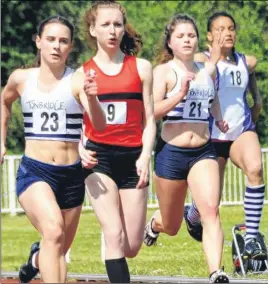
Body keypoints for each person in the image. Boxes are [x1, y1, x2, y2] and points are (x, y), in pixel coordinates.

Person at [1, 15, 106, 283]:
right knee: (54, 231)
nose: (56, 46)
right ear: (38, 42)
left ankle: (36, 259)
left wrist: (92, 99)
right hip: (35, 172)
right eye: (50, 40)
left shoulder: (78, 80)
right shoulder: (22, 79)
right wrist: (1, 142)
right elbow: (4, 102)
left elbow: (100, 124)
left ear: (70, 46)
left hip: (71, 176)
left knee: (57, 246)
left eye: (63, 41)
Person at [142, 14, 230, 283]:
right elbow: (153, 112)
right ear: (170, 42)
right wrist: (179, 95)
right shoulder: (164, 72)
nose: (187, 40)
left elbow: (212, 98)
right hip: (171, 152)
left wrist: (218, 117)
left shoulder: (207, 70)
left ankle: (216, 272)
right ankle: (155, 223)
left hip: (203, 150)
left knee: (211, 211)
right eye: (180, 36)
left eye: (191, 35)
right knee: (171, 226)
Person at [79, 1, 156, 283]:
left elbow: (149, 120)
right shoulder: (83, 73)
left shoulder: (142, 68)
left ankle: (114, 241)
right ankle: (110, 235)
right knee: (114, 233)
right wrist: (79, 149)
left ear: (124, 29)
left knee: (131, 246)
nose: (112, 30)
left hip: (133, 157)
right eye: (105, 24)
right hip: (99, 158)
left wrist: (146, 156)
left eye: (117, 24)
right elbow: (76, 124)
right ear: (93, 29)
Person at [185, 11, 267, 261]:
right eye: (219, 29)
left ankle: (252, 238)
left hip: (240, 131)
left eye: (231, 28)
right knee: (209, 202)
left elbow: (250, 74)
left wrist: (258, 102)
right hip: (211, 136)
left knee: (255, 169)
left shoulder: (246, 61)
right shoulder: (202, 59)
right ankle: (191, 216)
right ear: (209, 35)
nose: (227, 33)